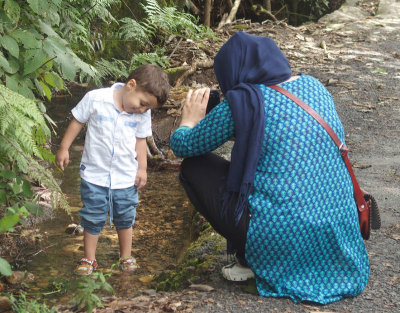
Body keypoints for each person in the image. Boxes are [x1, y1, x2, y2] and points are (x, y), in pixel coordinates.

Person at [169, 31, 369, 304]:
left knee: (194, 167)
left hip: (282, 240)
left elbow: (183, 146)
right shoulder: (314, 86)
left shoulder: (243, 103)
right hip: (336, 237)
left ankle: (250, 259)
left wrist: (188, 119)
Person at [56, 64, 170, 275]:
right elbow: (77, 122)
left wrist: (142, 169)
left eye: (148, 109)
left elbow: (140, 142)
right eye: (142, 104)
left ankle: (125, 256)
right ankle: (89, 259)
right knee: (92, 215)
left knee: (125, 216)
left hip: (125, 176)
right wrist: (64, 148)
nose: (143, 110)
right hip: (94, 174)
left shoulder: (142, 114)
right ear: (131, 85)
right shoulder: (96, 99)